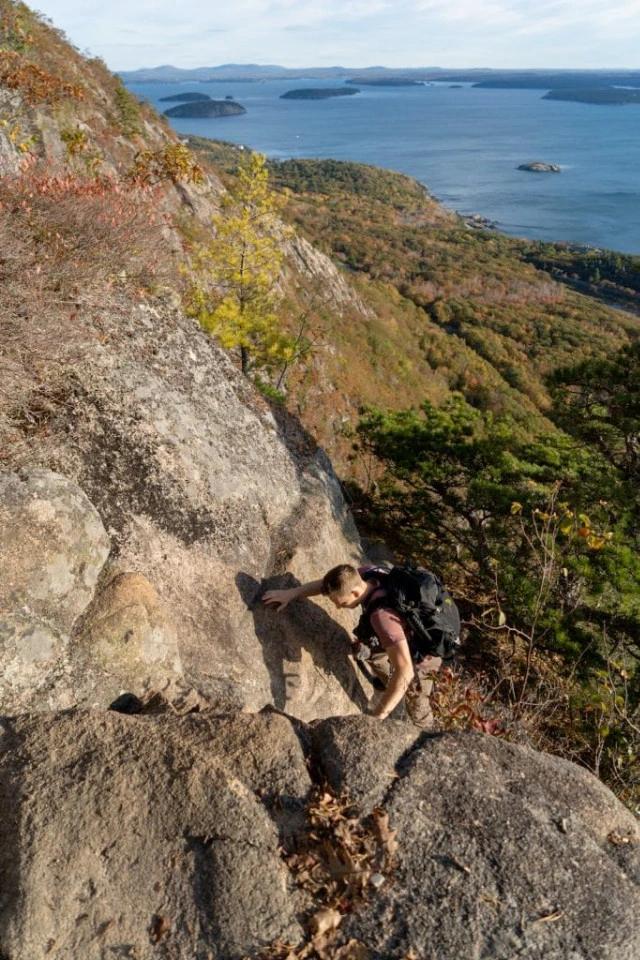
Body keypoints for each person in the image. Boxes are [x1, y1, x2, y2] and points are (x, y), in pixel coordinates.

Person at [263, 563, 442, 726]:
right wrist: (290, 594)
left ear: (355, 593)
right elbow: (324, 586)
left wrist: (375, 720)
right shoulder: (366, 573)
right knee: (368, 647)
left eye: (342, 603)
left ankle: (425, 728)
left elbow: (405, 672)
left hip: (425, 654)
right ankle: (386, 682)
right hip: (401, 631)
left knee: (414, 696)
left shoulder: (381, 617)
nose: (338, 608)